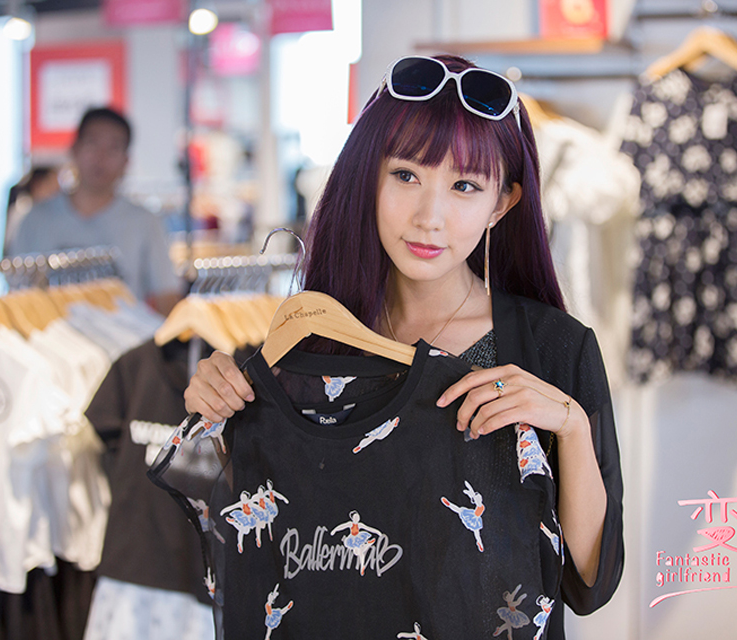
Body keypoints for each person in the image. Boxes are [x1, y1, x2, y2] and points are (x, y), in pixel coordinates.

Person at [183, 54, 623, 636]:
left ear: (501, 203)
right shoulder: (316, 342)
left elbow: (590, 580)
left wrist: (570, 427)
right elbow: (279, 533)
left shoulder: (552, 348)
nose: (429, 217)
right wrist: (222, 417)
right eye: (406, 176)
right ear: (369, 177)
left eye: (464, 186)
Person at [8, 107, 183, 315]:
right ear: (74, 150)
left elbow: (166, 296)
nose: (101, 157)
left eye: (113, 148)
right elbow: (18, 297)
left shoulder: (145, 222)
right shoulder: (35, 220)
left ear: (126, 161)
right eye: (92, 143)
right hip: (51, 332)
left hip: (124, 334)